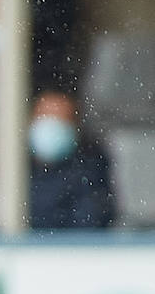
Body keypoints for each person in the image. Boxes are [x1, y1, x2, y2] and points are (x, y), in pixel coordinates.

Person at [27, 87, 116, 230]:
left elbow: (90, 224)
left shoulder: (90, 173)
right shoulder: (9, 169)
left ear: (75, 127)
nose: (51, 128)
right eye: (45, 117)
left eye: (59, 120)